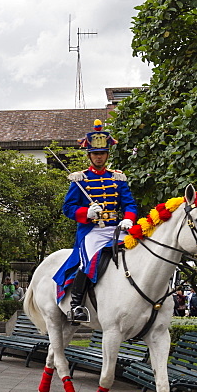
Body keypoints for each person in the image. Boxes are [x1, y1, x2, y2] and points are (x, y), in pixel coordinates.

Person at [54, 120, 138, 324]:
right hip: (92, 231)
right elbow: (68, 208)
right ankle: (76, 305)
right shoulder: (80, 179)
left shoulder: (117, 178)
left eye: (102, 153)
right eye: (95, 153)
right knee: (87, 261)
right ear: (90, 155)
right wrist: (87, 213)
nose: (99, 156)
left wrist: (127, 219)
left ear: (107, 155)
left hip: (117, 229)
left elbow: (130, 205)